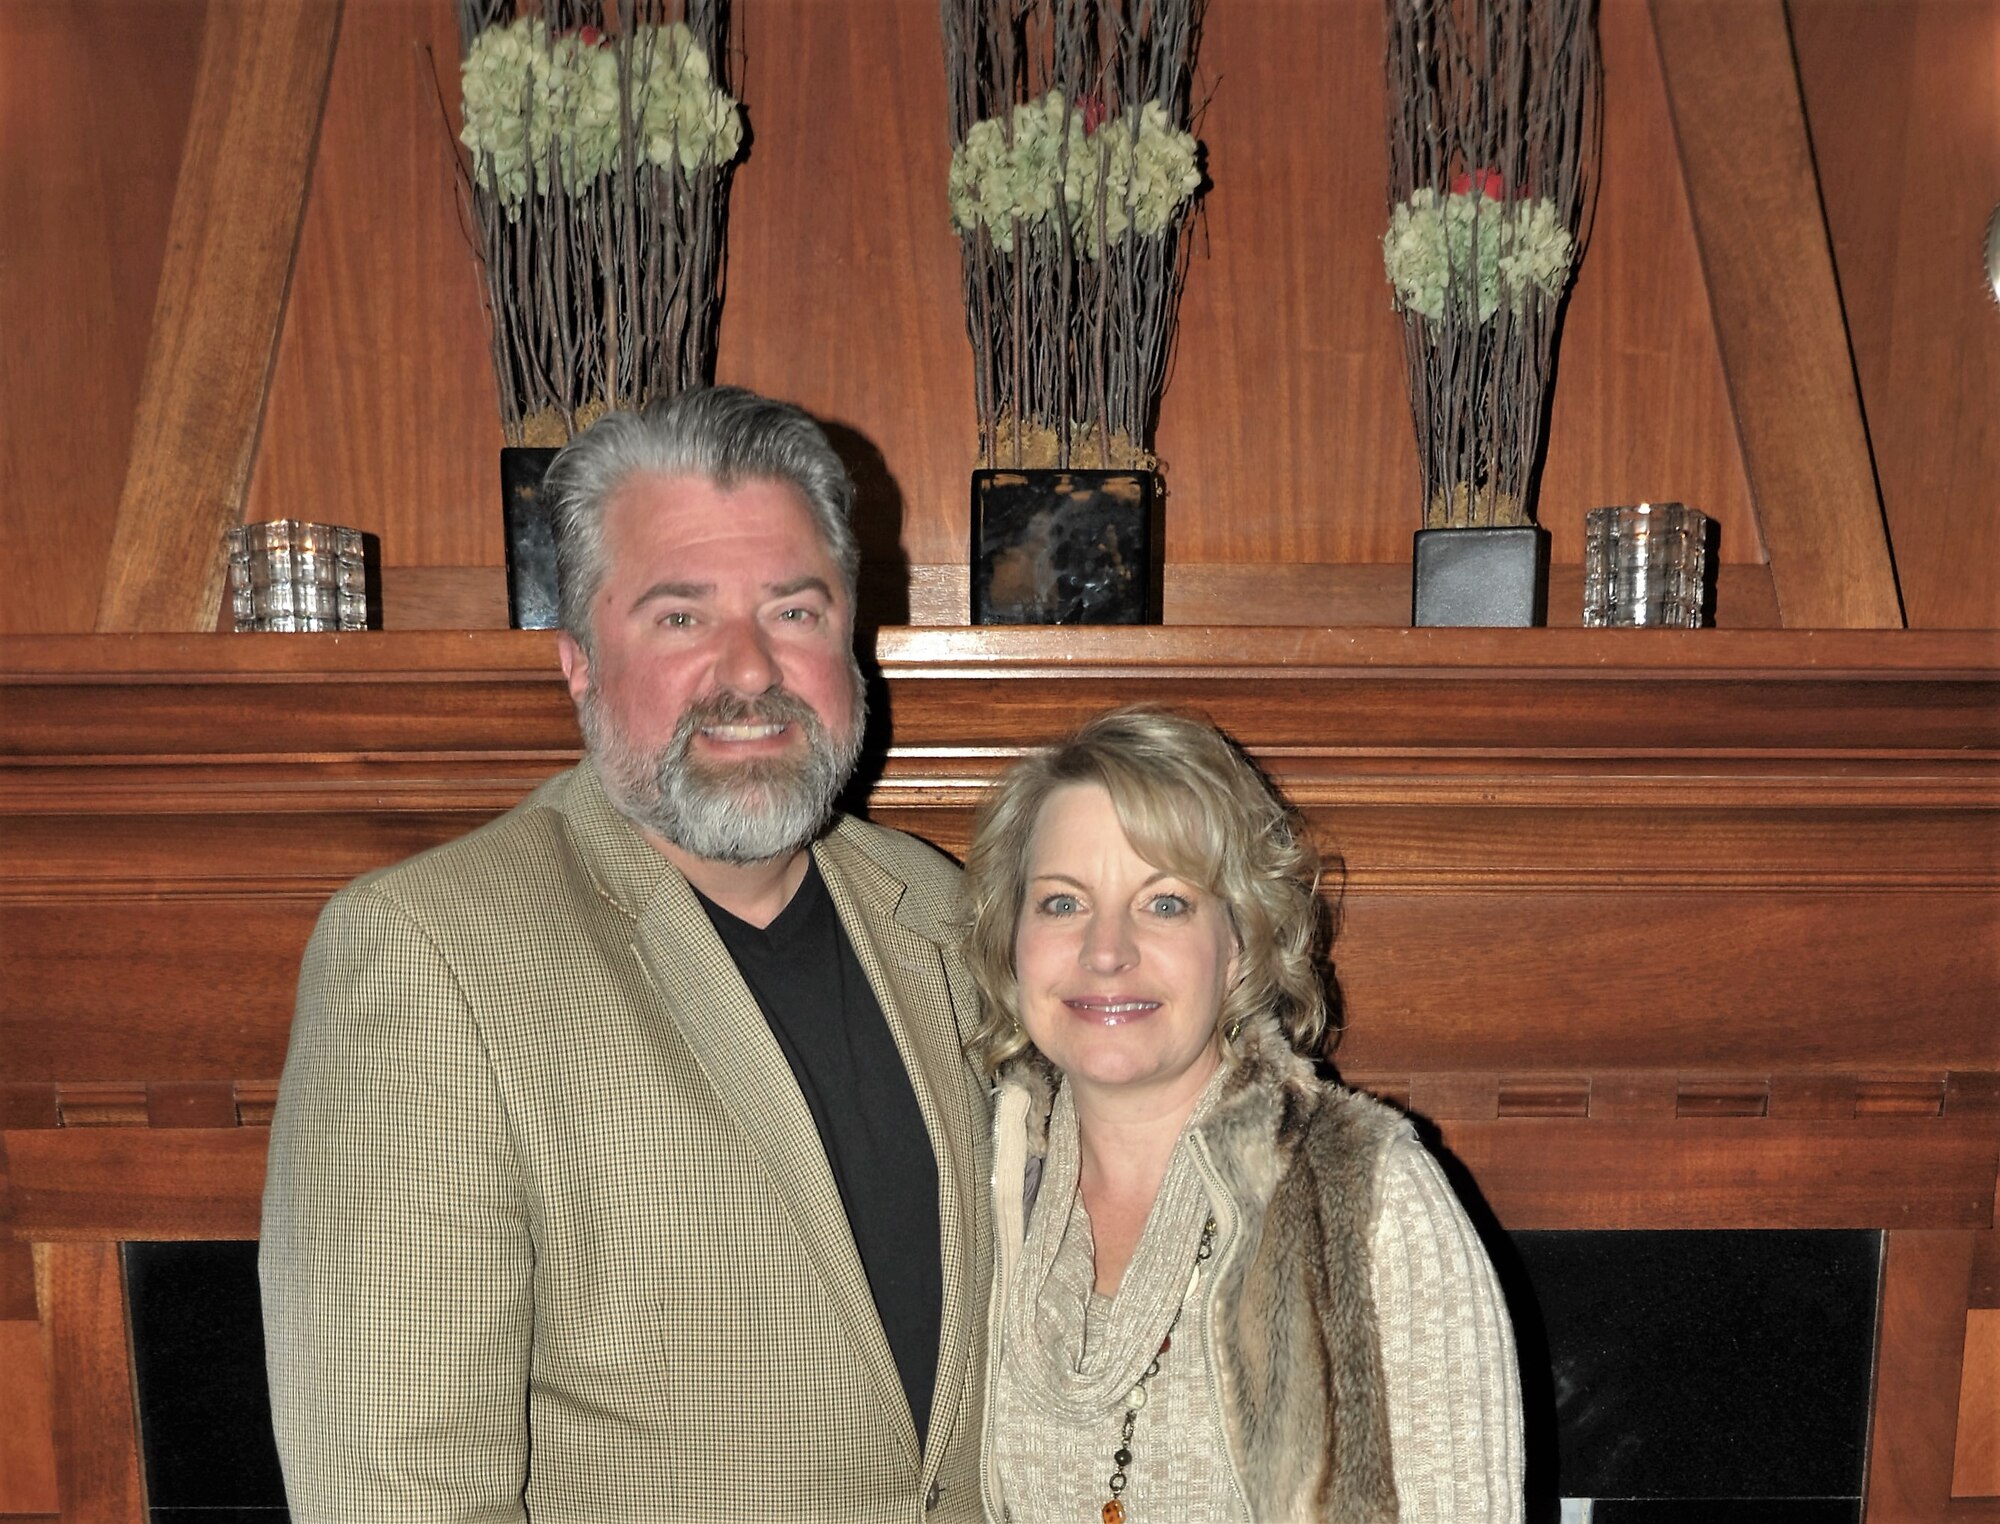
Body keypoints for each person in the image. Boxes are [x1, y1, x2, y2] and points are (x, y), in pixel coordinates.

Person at [260, 387, 992, 1522]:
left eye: (794, 611)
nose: (749, 671)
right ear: (578, 662)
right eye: (679, 617)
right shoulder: (424, 958)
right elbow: (395, 1496)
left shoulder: (946, 916)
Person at [960, 708, 1522, 1524]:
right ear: (1011, 942)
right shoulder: (990, 1182)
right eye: (1060, 903)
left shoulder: (1369, 1199)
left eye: (1165, 904)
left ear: (1240, 948)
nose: (1106, 950)